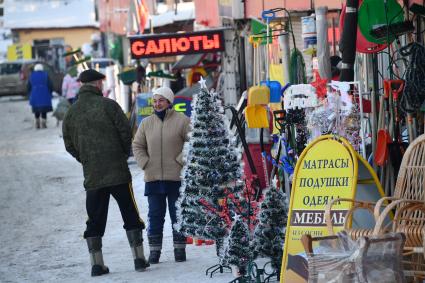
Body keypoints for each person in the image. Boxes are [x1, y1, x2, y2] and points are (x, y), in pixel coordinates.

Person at [62, 69, 149, 277]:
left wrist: (86, 159)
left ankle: (96, 264)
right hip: (118, 172)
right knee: (130, 213)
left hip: (93, 176)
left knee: (95, 219)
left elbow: (68, 144)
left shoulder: (71, 113)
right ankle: (138, 259)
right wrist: (120, 154)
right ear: (98, 84)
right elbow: (126, 132)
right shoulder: (109, 106)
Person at [132, 86, 190, 264]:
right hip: (154, 178)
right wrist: (145, 163)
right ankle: (155, 252)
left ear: (169, 102)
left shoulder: (182, 121)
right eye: (155, 101)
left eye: (161, 100)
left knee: (177, 214)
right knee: (155, 215)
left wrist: (180, 161)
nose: (157, 104)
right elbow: (137, 145)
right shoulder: (146, 123)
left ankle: (179, 250)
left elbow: (191, 143)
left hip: (176, 178)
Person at [28, 63, 53, 129]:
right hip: (45, 94)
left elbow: (28, 86)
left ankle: (37, 123)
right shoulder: (46, 75)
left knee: (36, 109)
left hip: (35, 95)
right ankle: (44, 123)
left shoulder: (32, 75)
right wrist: (50, 92)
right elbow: (50, 85)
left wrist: (30, 93)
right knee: (44, 110)